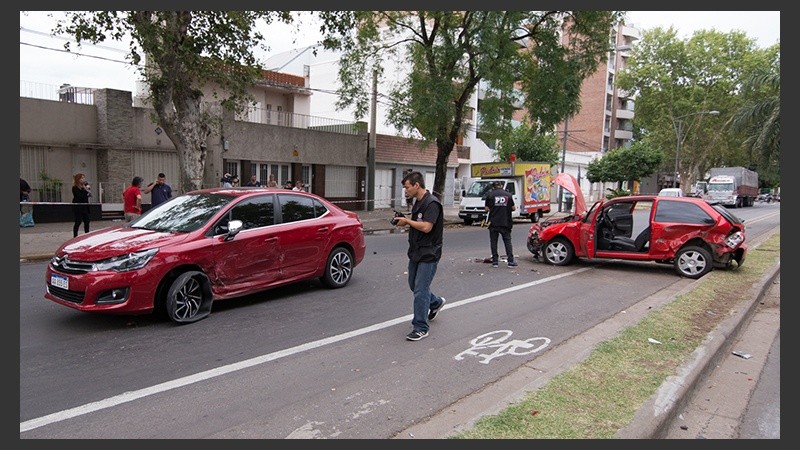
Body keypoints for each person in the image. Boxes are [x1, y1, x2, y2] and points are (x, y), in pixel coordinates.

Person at [392, 171, 446, 341]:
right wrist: (404, 219)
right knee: (413, 285)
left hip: (429, 253)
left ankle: (421, 327)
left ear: (416, 185)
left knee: (420, 290)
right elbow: (418, 224)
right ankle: (436, 302)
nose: (405, 191)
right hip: (416, 251)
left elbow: (426, 227)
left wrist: (408, 222)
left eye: (407, 187)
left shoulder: (432, 204)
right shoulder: (418, 202)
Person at [484, 180, 517, 268]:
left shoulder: (490, 195)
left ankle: (495, 261)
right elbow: (513, 208)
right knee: (507, 241)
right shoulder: (508, 195)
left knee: (494, 242)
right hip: (505, 222)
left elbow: (486, 209)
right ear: (501, 186)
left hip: (493, 222)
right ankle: (510, 261)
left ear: (493, 187)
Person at [71, 173, 92, 237]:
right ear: (78, 179)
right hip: (78, 207)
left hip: (85, 206)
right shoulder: (75, 188)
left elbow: (88, 196)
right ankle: (75, 236)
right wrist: (85, 191)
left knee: (87, 221)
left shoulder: (84, 187)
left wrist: (88, 190)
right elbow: (79, 196)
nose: (83, 179)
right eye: (81, 178)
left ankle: (87, 235)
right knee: (78, 222)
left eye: (84, 178)